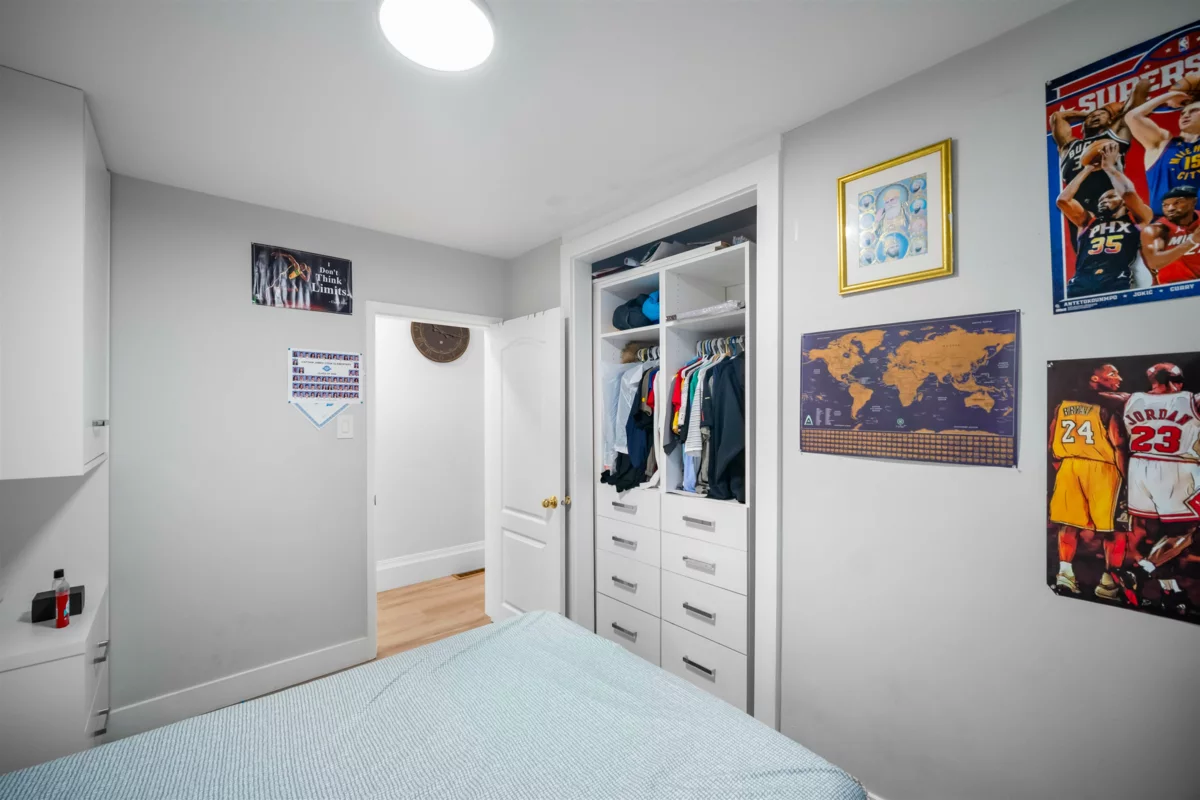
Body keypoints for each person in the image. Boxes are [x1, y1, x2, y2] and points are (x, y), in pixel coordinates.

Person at [1116, 363, 1200, 617]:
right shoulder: (1191, 400)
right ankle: (1140, 572)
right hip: (1177, 468)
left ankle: (1170, 591)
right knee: (1186, 533)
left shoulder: (1130, 400)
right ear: (1177, 381)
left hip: (1140, 467)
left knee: (1155, 537)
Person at [1050, 364, 1130, 602]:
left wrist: (1061, 468)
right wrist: (1127, 479)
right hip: (1103, 469)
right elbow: (1119, 447)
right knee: (1114, 530)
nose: (1119, 378)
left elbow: (1050, 445)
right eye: (1113, 374)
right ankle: (1108, 584)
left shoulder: (1061, 407)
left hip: (1069, 466)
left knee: (1068, 525)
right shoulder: (1107, 408)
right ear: (1095, 378)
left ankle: (1065, 574)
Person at [1056, 141, 1154, 298]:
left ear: (1123, 202)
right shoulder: (1087, 221)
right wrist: (1087, 168)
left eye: (1109, 197)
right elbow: (1063, 201)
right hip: (1081, 281)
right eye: (1100, 200)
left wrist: (1109, 168)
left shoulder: (1138, 218)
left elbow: (1128, 192)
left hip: (1117, 278)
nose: (1102, 201)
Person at [1049, 80, 1149, 218]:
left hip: (1109, 198)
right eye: (1091, 117)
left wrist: (1113, 112)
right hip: (1076, 203)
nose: (1095, 116)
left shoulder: (1115, 133)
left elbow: (1140, 89)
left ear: (1110, 120)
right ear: (1083, 126)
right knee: (1079, 240)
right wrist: (1091, 113)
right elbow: (1058, 116)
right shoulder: (1068, 145)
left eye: (1101, 114)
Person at [1124, 89, 1200, 214]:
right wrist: (1171, 95)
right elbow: (1133, 117)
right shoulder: (1162, 142)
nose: (1185, 115)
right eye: (1182, 113)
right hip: (1165, 226)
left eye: (1194, 111)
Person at [1139, 185, 1200, 284]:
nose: (1170, 208)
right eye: (1165, 205)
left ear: (1194, 201)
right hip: (1171, 289)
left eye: (1177, 203)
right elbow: (1154, 263)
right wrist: (1192, 241)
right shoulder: (1156, 230)